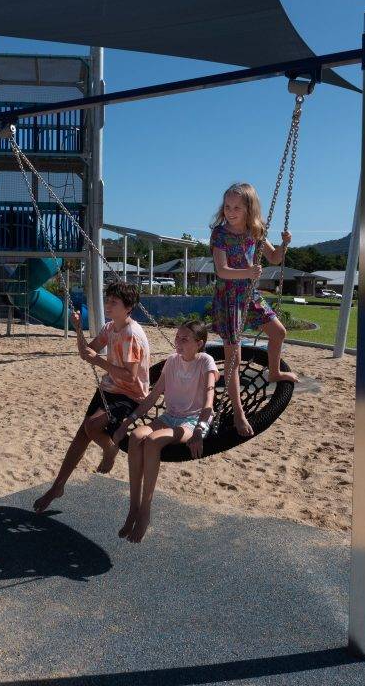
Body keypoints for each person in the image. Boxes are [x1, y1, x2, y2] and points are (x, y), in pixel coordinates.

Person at [33, 281, 150, 513]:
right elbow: (87, 354)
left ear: (128, 307)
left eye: (114, 302)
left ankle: (110, 450)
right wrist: (78, 329)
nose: (108, 304)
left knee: (92, 426)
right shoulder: (110, 328)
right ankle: (58, 486)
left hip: (131, 394)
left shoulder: (132, 335)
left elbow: (130, 376)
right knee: (81, 435)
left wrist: (99, 360)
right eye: (107, 300)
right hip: (109, 388)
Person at [111, 319, 218, 543]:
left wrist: (200, 429)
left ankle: (145, 511)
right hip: (170, 417)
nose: (178, 342)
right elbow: (152, 397)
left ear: (199, 343)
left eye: (185, 339)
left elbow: (209, 399)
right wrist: (127, 422)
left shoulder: (206, 362)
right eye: (177, 337)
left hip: (193, 422)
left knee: (152, 441)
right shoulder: (171, 361)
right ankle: (133, 507)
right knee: (136, 436)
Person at [210, 182, 298, 436]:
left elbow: (274, 258)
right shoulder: (220, 234)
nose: (230, 211)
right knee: (234, 359)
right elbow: (221, 270)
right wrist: (248, 272)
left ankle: (274, 371)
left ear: (249, 208)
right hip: (228, 298)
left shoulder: (256, 230)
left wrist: (284, 245)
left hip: (250, 295)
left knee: (278, 332)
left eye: (237, 207)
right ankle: (238, 412)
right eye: (227, 206)